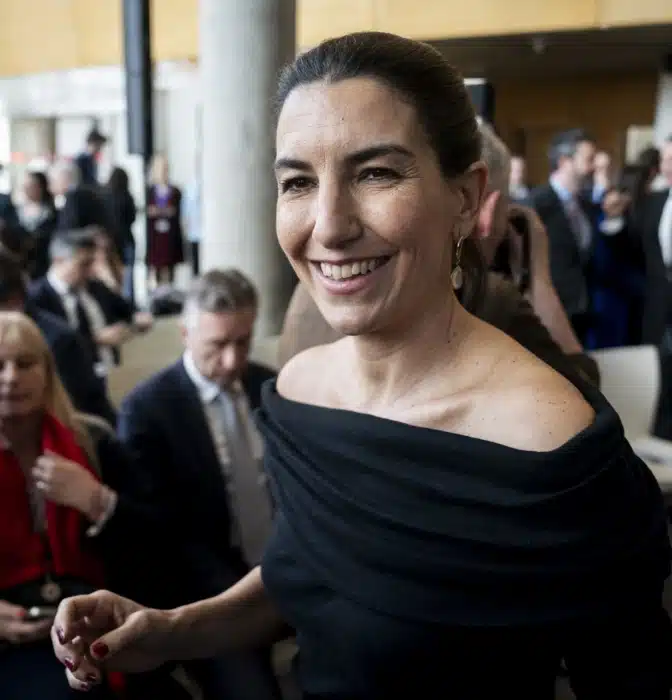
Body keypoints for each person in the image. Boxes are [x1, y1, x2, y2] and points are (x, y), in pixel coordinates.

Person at [53, 32, 672, 699]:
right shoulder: (300, 389)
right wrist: (173, 629)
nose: (329, 225)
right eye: (298, 182)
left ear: (466, 198)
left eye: (376, 173)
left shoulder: (552, 443)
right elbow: (307, 573)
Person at [281, 122, 597, 386]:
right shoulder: (487, 296)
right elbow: (584, 395)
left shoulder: (315, 288)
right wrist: (540, 277)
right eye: (298, 183)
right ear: (479, 207)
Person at [117, 269, 280, 700]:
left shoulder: (271, 387)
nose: (232, 361)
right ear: (185, 334)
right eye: (217, 345)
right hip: (208, 594)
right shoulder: (147, 411)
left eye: (243, 342)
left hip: (289, 568)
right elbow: (159, 532)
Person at [0, 312, 148, 699]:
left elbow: (156, 541)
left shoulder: (92, 440)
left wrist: (97, 501)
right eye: (0, 366)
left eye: (25, 363)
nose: (11, 377)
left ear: (47, 371)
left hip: (96, 619)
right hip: (12, 638)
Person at [0, 252, 116, 425]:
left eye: (24, 364)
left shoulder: (58, 341)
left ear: (14, 303)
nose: (10, 377)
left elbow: (79, 413)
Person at [146, 154, 184, 286]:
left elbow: (175, 211)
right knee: (157, 265)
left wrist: (161, 211)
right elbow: (149, 211)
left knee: (170, 265)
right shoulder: (150, 191)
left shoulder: (175, 191)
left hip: (170, 235)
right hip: (156, 235)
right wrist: (162, 211)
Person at [103, 167, 137, 304]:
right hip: (126, 239)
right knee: (128, 273)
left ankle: (116, 302)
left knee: (113, 273)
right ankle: (128, 302)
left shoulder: (105, 197)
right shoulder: (127, 197)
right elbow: (132, 218)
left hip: (111, 241)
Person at [17, 170, 58, 279]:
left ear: (41, 187)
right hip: (21, 265)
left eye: (31, 186)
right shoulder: (15, 212)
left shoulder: (52, 214)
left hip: (43, 264)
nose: (27, 190)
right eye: (25, 186)